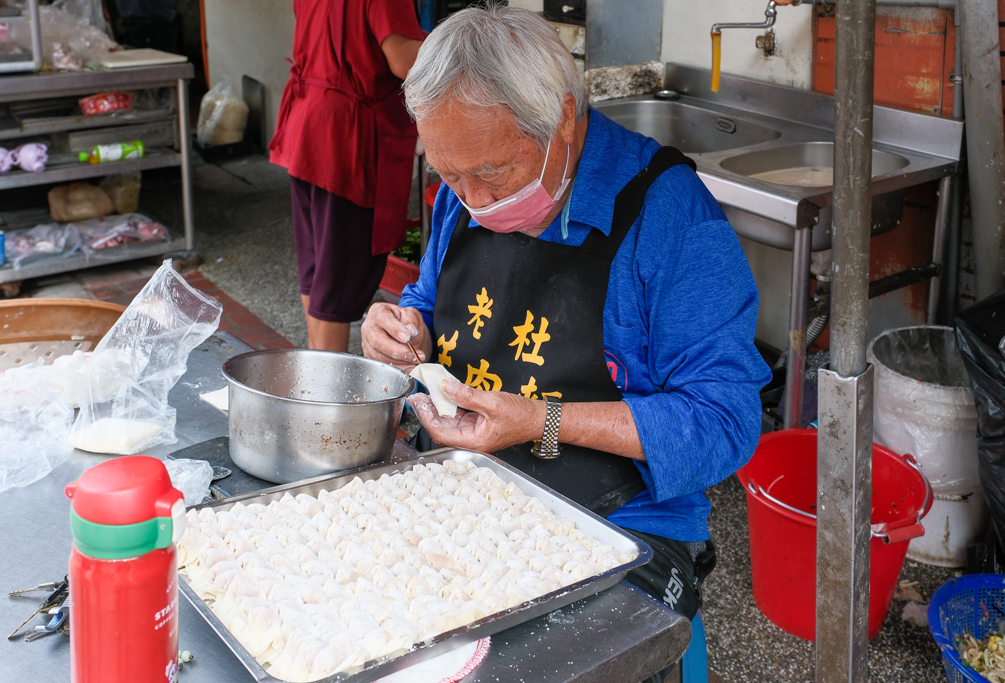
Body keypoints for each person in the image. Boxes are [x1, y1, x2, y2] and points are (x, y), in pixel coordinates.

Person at [361, 5, 771, 681]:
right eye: (449, 174)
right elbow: (428, 302)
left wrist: (541, 419)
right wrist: (404, 330)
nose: (469, 199)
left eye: (489, 174)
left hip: (621, 524)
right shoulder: (458, 197)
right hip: (464, 485)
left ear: (562, 121)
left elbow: (724, 423)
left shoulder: (669, 218)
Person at [269, 0, 424, 352]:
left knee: (317, 269)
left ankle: (317, 370)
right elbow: (404, 61)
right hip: (346, 142)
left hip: (307, 128)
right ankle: (327, 390)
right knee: (336, 279)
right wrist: (458, 41)